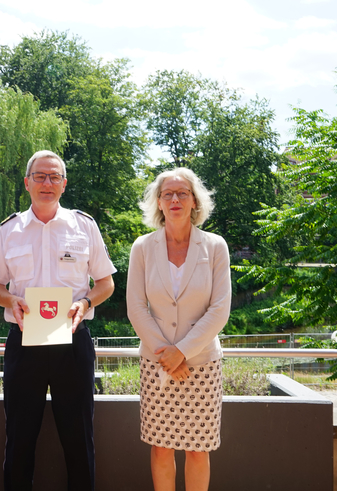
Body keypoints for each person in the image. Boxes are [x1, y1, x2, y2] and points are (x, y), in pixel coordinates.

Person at [0, 150, 117, 491]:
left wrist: (85, 303)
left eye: (54, 177)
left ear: (64, 184)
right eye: (40, 176)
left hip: (72, 342)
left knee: (78, 439)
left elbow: (106, 283)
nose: (47, 183)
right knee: (19, 438)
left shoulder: (84, 226)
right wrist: (10, 300)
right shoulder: (10, 230)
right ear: (27, 182)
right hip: (24, 342)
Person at [126, 167, 231, 491]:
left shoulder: (215, 246)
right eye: (168, 194)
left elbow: (219, 309)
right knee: (161, 447)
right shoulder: (142, 248)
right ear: (158, 202)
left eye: (182, 193)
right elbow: (136, 307)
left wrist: (182, 352)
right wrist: (166, 355)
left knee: (198, 450)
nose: (175, 199)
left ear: (194, 201)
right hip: (157, 364)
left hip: (201, 364)